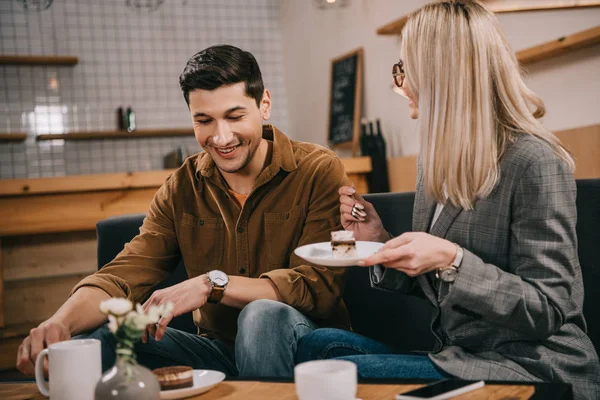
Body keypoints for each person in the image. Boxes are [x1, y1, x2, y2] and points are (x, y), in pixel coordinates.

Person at [295, 1, 600, 399]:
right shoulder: (435, 161)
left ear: (442, 74)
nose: (399, 83)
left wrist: (453, 261)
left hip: (532, 368)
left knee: (332, 373)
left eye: (404, 69)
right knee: (315, 349)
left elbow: (548, 308)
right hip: (460, 357)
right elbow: (435, 283)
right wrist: (380, 240)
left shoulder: (534, 162)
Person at [16, 44, 351, 378]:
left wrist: (210, 285)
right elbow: (123, 274)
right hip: (217, 352)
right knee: (105, 338)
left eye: (234, 117)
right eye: (204, 121)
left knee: (260, 315)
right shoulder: (182, 188)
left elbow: (316, 288)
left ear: (264, 104)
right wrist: (58, 323)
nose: (221, 137)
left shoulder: (318, 170)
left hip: (304, 346)